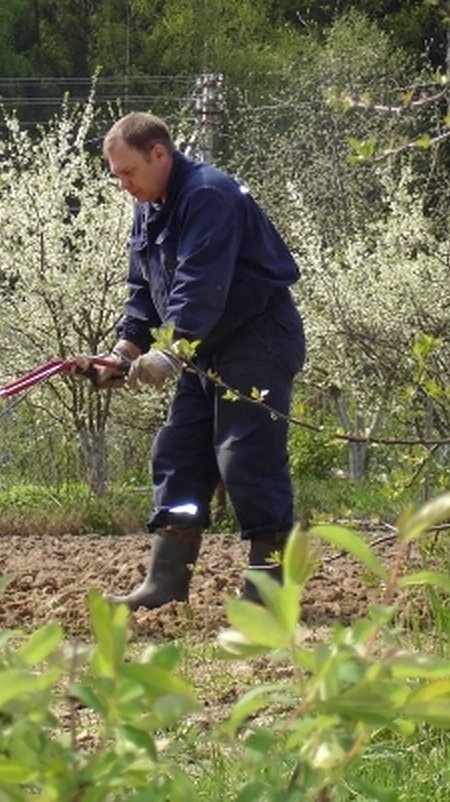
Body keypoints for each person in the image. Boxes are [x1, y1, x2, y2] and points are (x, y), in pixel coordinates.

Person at [92, 111, 306, 609]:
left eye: (129, 172)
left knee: (246, 457)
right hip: (201, 347)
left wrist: (171, 351)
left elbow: (200, 284)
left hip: (255, 339)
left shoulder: (208, 196)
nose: (124, 185)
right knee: (179, 454)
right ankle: (165, 584)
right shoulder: (150, 205)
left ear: (159, 154)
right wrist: (125, 349)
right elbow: (145, 289)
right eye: (117, 176)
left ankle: (268, 595)